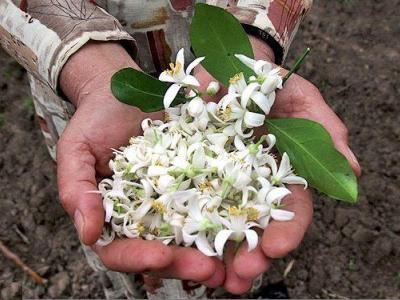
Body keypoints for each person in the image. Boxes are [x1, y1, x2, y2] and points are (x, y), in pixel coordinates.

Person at [0, 0, 361, 298]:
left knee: (242, 257)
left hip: (218, 57)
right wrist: (89, 67)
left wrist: (250, 41)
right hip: (76, 81)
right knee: (133, 249)